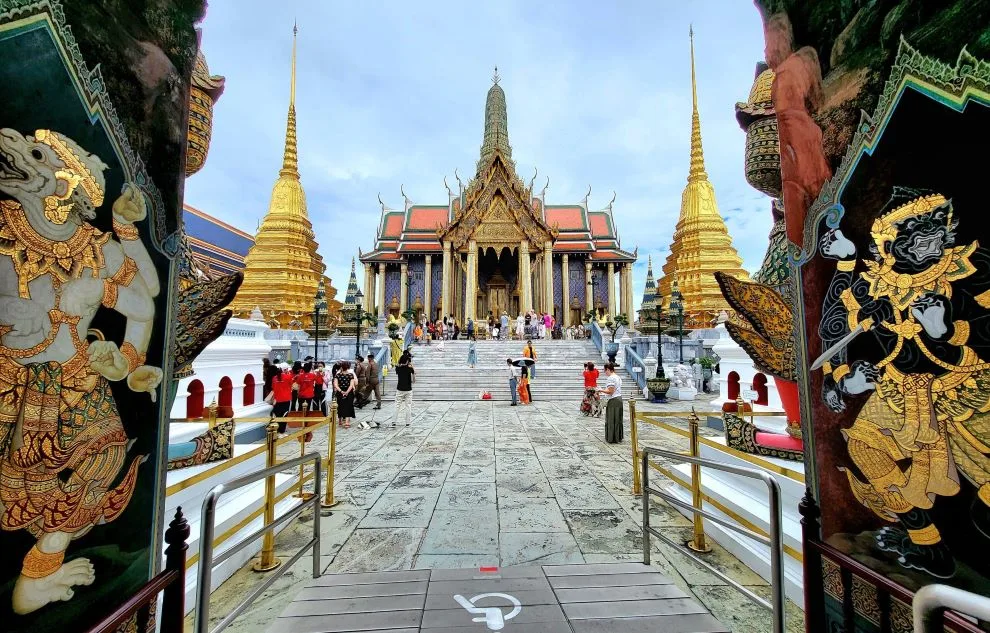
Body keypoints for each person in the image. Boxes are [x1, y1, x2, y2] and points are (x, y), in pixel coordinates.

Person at [598, 363, 624, 443]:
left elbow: (610, 391)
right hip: (619, 398)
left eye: (605, 370)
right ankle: (618, 437)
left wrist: (600, 390)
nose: (605, 372)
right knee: (618, 419)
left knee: (612, 419)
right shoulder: (617, 377)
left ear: (608, 369)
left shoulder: (611, 378)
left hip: (613, 400)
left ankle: (612, 438)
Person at [394, 352, 415, 427]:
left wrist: (400, 363)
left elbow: (397, 365)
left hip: (399, 388)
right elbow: (414, 381)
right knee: (408, 406)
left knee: (397, 405)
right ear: (407, 361)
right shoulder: (410, 369)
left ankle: (394, 421)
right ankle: (408, 422)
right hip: (408, 389)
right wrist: (411, 367)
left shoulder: (398, 368)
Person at [334, 360, 357, 428]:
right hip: (348, 392)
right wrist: (347, 392)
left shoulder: (337, 375)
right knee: (348, 406)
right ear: (348, 367)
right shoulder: (350, 375)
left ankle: (340, 420)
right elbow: (351, 385)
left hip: (340, 392)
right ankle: (347, 422)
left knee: (340, 405)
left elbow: (336, 385)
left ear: (341, 367)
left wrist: (341, 391)